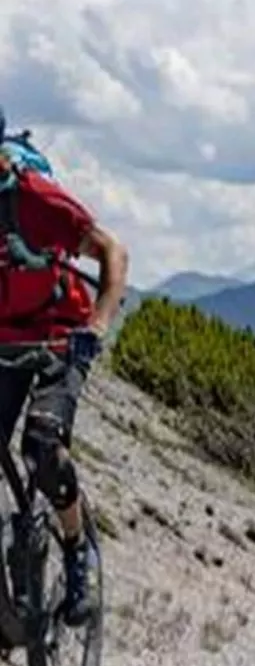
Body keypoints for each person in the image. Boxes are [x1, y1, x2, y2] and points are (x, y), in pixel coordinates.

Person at [0, 125, 129, 627]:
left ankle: (78, 553)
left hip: (61, 335)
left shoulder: (34, 198)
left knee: (42, 447)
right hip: (5, 337)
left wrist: (96, 325)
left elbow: (112, 252)